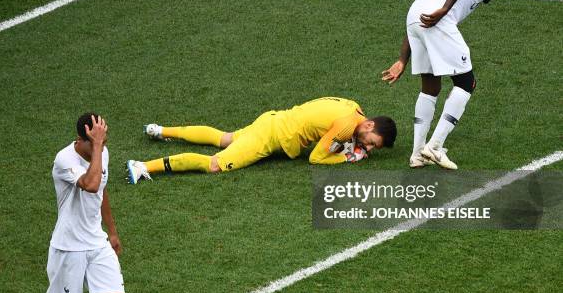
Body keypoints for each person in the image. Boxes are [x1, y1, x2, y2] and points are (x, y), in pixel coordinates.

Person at [382, 0, 506, 170]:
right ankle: (435, 146)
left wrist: (403, 59)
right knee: (467, 83)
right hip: (438, 19)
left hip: (414, 18)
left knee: (430, 87)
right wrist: (445, 9)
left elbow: (419, 16)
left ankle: (417, 154)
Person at [126, 97, 397, 183]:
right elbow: (317, 157)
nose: (369, 146)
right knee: (215, 164)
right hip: (271, 136)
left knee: (224, 138)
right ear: (369, 124)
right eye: (372, 141)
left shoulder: (353, 108)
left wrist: (350, 144)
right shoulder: (347, 125)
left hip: (273, 119)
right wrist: (348, 157)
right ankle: (144, 167)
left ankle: (159, 130)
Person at [46, 114, 134, 293]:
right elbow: (91, 184)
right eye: (95, 141)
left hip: (96, 242)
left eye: (104, 141)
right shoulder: (64, 159)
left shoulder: (101, 152)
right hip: (69, 247)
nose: (101, 146)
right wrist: (97, 147)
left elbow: (102, 191)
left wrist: (112, 233)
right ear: (79, 139)